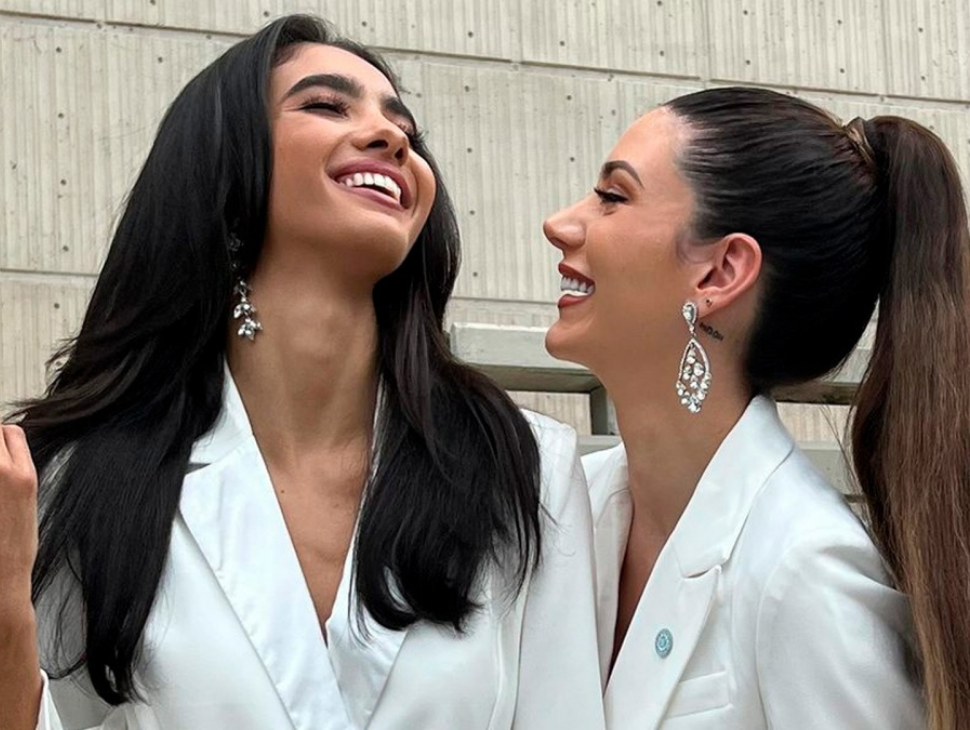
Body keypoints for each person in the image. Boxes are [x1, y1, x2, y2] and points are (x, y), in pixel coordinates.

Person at [0, 15, 603, 730]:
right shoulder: (72, 480)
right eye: (325, 105)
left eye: (402, 123)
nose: (392, 137)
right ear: (224, 169)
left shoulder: (524, 465)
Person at [542, 86, 970, 729]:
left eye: (613, 197)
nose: (560, 223)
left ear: (722, 272)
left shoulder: (804, 577)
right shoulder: (559, 512)